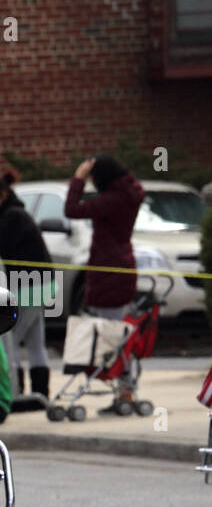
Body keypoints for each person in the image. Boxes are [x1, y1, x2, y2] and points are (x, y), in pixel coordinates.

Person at [64, 154, 146, 411]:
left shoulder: (111, 200)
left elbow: (72, 209)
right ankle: (125, 390)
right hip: (121, 266)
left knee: (113, 336)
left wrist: (78, 179)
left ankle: (125, 392)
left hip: (110, 272)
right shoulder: (128, 194)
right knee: (120, 333)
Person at [0, 174, 53, 401]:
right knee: (36, 341)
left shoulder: (13, 218)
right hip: (31, 285)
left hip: (32, 286)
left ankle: (15, 393)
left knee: (11, 339)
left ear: (2, 196)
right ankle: (40, 394)